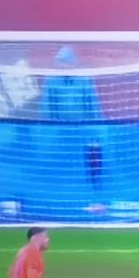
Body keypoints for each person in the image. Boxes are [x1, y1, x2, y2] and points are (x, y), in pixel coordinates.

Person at [42, 47, 104, 189]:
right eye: (60, 63)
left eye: (66, 62)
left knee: (89, 152)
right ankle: (63, 183)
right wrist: (50, 127)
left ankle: (93, 182)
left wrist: (94, 127)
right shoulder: (51, 81)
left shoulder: (84, 79)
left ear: (73, 63)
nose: (63, 66)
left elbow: (91, 103)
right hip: (61, 128)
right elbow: (49, 104)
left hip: (83, 127)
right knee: (64, 155)